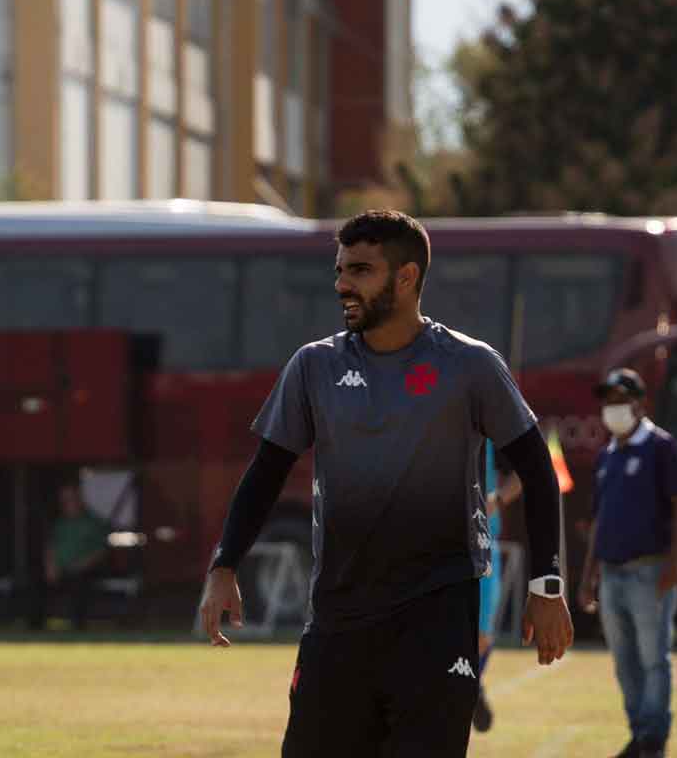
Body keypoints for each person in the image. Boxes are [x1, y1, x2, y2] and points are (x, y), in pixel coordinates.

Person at [199, 209, 574, 758]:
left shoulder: (469, 365)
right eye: (340, 270)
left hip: (437, 615)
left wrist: (546, 587)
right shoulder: (313, 367)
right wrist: (224, 564)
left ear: (406, 278)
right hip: (338, 620)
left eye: (360, 270)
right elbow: (266, 473)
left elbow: (539, 472)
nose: (342, 284)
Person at [578, 368, 677, 758]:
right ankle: (640, 731)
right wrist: (588, 574)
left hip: (650, 570)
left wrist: (675, 564)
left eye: (619, 401)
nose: (612, 410)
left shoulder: (660, 447)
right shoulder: (607, 456)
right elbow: (600, 520)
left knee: (653, 659)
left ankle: (652, 740)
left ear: (640, 404)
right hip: (611, 574)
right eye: (607, 402)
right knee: (624, 663)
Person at [472, 439, 522, 733]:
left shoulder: (493, 424)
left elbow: (526, 471)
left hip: (481, 544)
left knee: (483, 635)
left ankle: (471, 685)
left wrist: (498, 499)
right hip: (434, 546)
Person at [33, 482, 111, 631]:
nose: (67, 502)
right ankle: (36, 626)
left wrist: (82, 565)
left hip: (84, 570)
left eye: (70, 498)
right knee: (37, 581)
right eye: (64, 499)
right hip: (59, 569)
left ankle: (78, 626)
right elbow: (50, 545)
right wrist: (50, 566)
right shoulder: (59, 523)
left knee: (80, 583)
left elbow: (101, 551)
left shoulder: (94, 522)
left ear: (79, 499)